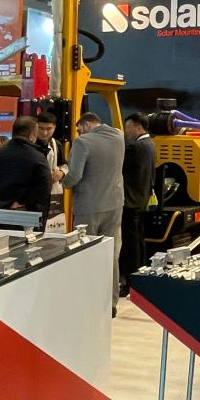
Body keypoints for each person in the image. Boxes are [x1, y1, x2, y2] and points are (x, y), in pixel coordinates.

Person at [64, 111, 125, 312]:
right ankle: (111, 303)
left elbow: (74, 176)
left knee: (85, 253)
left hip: (89, 207)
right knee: (111, 255)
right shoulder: (118, 137)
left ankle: (86, 302)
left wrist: (61, 179)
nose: (79, 132)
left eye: (80, 128)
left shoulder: (83, 142)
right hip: (115, 204)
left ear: (87, 124)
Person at [0, 115, 52, 223]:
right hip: (23, 219)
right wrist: (23, 202)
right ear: (31, 135)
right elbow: (44, 189)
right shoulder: (38, 158)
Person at [120, 112, 156, 292]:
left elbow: (122, 169)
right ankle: (139, 276)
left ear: (138, 126)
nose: (126, 131)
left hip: (130, 200)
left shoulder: (135, 147)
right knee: (139, 240)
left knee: (130, 244)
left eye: (128, 127)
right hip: (141, 199)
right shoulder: (150, 144)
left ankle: (130, 281)